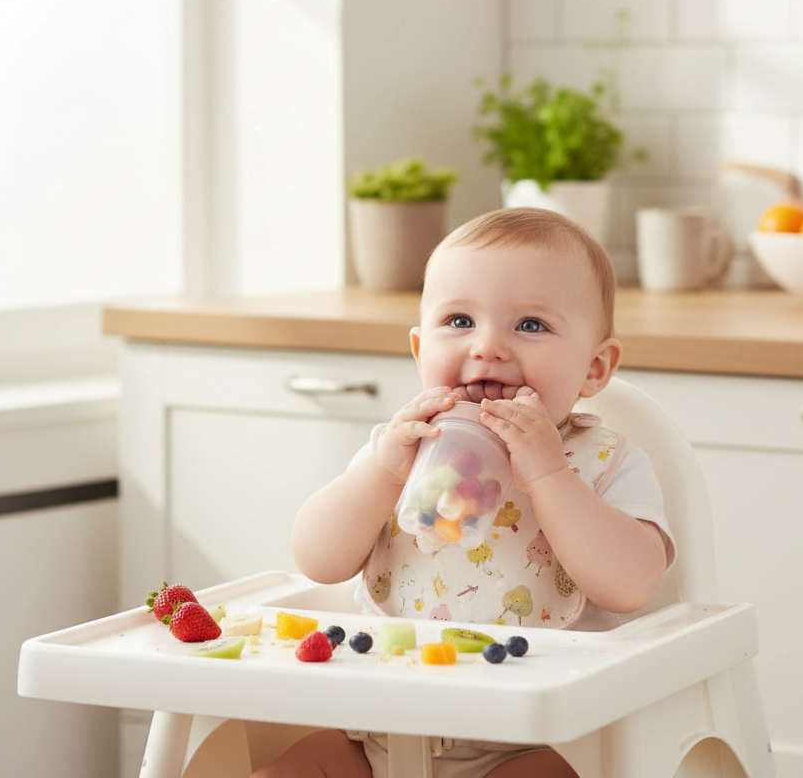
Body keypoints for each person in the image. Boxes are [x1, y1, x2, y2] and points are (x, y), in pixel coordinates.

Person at [255, 207, 676, 778]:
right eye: (458, 320)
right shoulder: (398, 450)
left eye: (530, 325)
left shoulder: (602, 464)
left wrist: (549, 477)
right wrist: (382, 473)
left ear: (595, 368)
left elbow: (631, 585)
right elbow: (317, 559)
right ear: (418, 348)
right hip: (377, 727)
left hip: (532, 740)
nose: (488, 347)